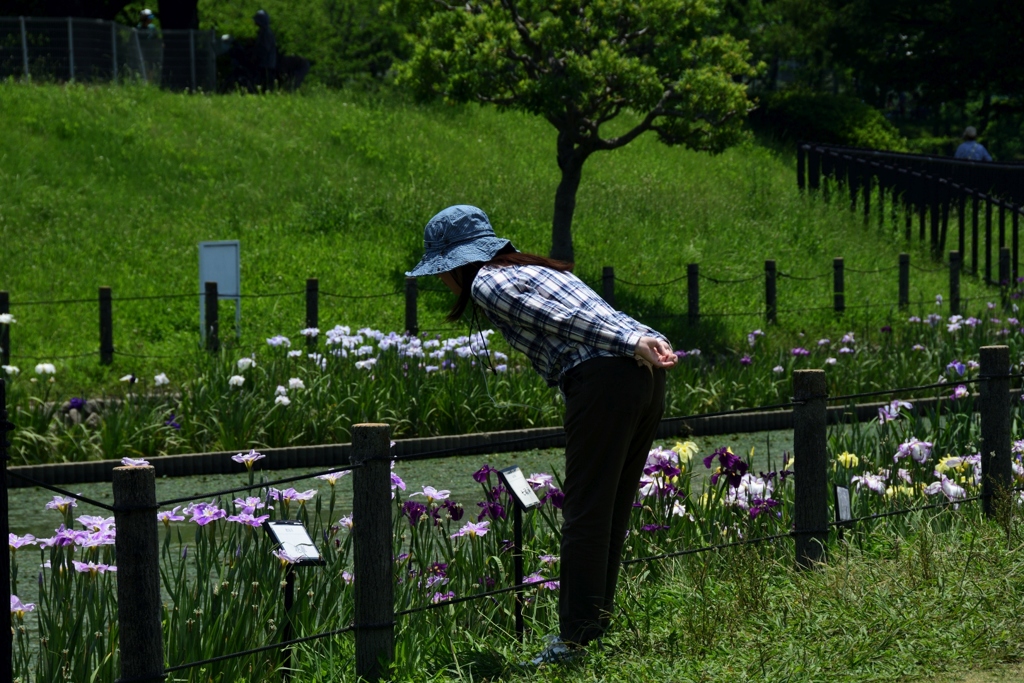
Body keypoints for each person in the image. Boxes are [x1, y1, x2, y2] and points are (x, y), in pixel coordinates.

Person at [406, 205, 677, 664]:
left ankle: (574, 642)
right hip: (643, 380)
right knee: (609, 510)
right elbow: (606, 313)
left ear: (455, 264)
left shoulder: (487, 282)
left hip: (603, 380)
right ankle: (593, 629)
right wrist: (646, 338)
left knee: (585, 513)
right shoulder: (536, 268)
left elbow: (563, 322)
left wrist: (632, 342)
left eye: (440, 270)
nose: (441, 280)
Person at [253, 9, 277, 90]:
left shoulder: (266, 33)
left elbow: (265, 48)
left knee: (265, 85)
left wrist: (256, 57)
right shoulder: (263, 32)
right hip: (265, 63)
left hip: (266, 64)